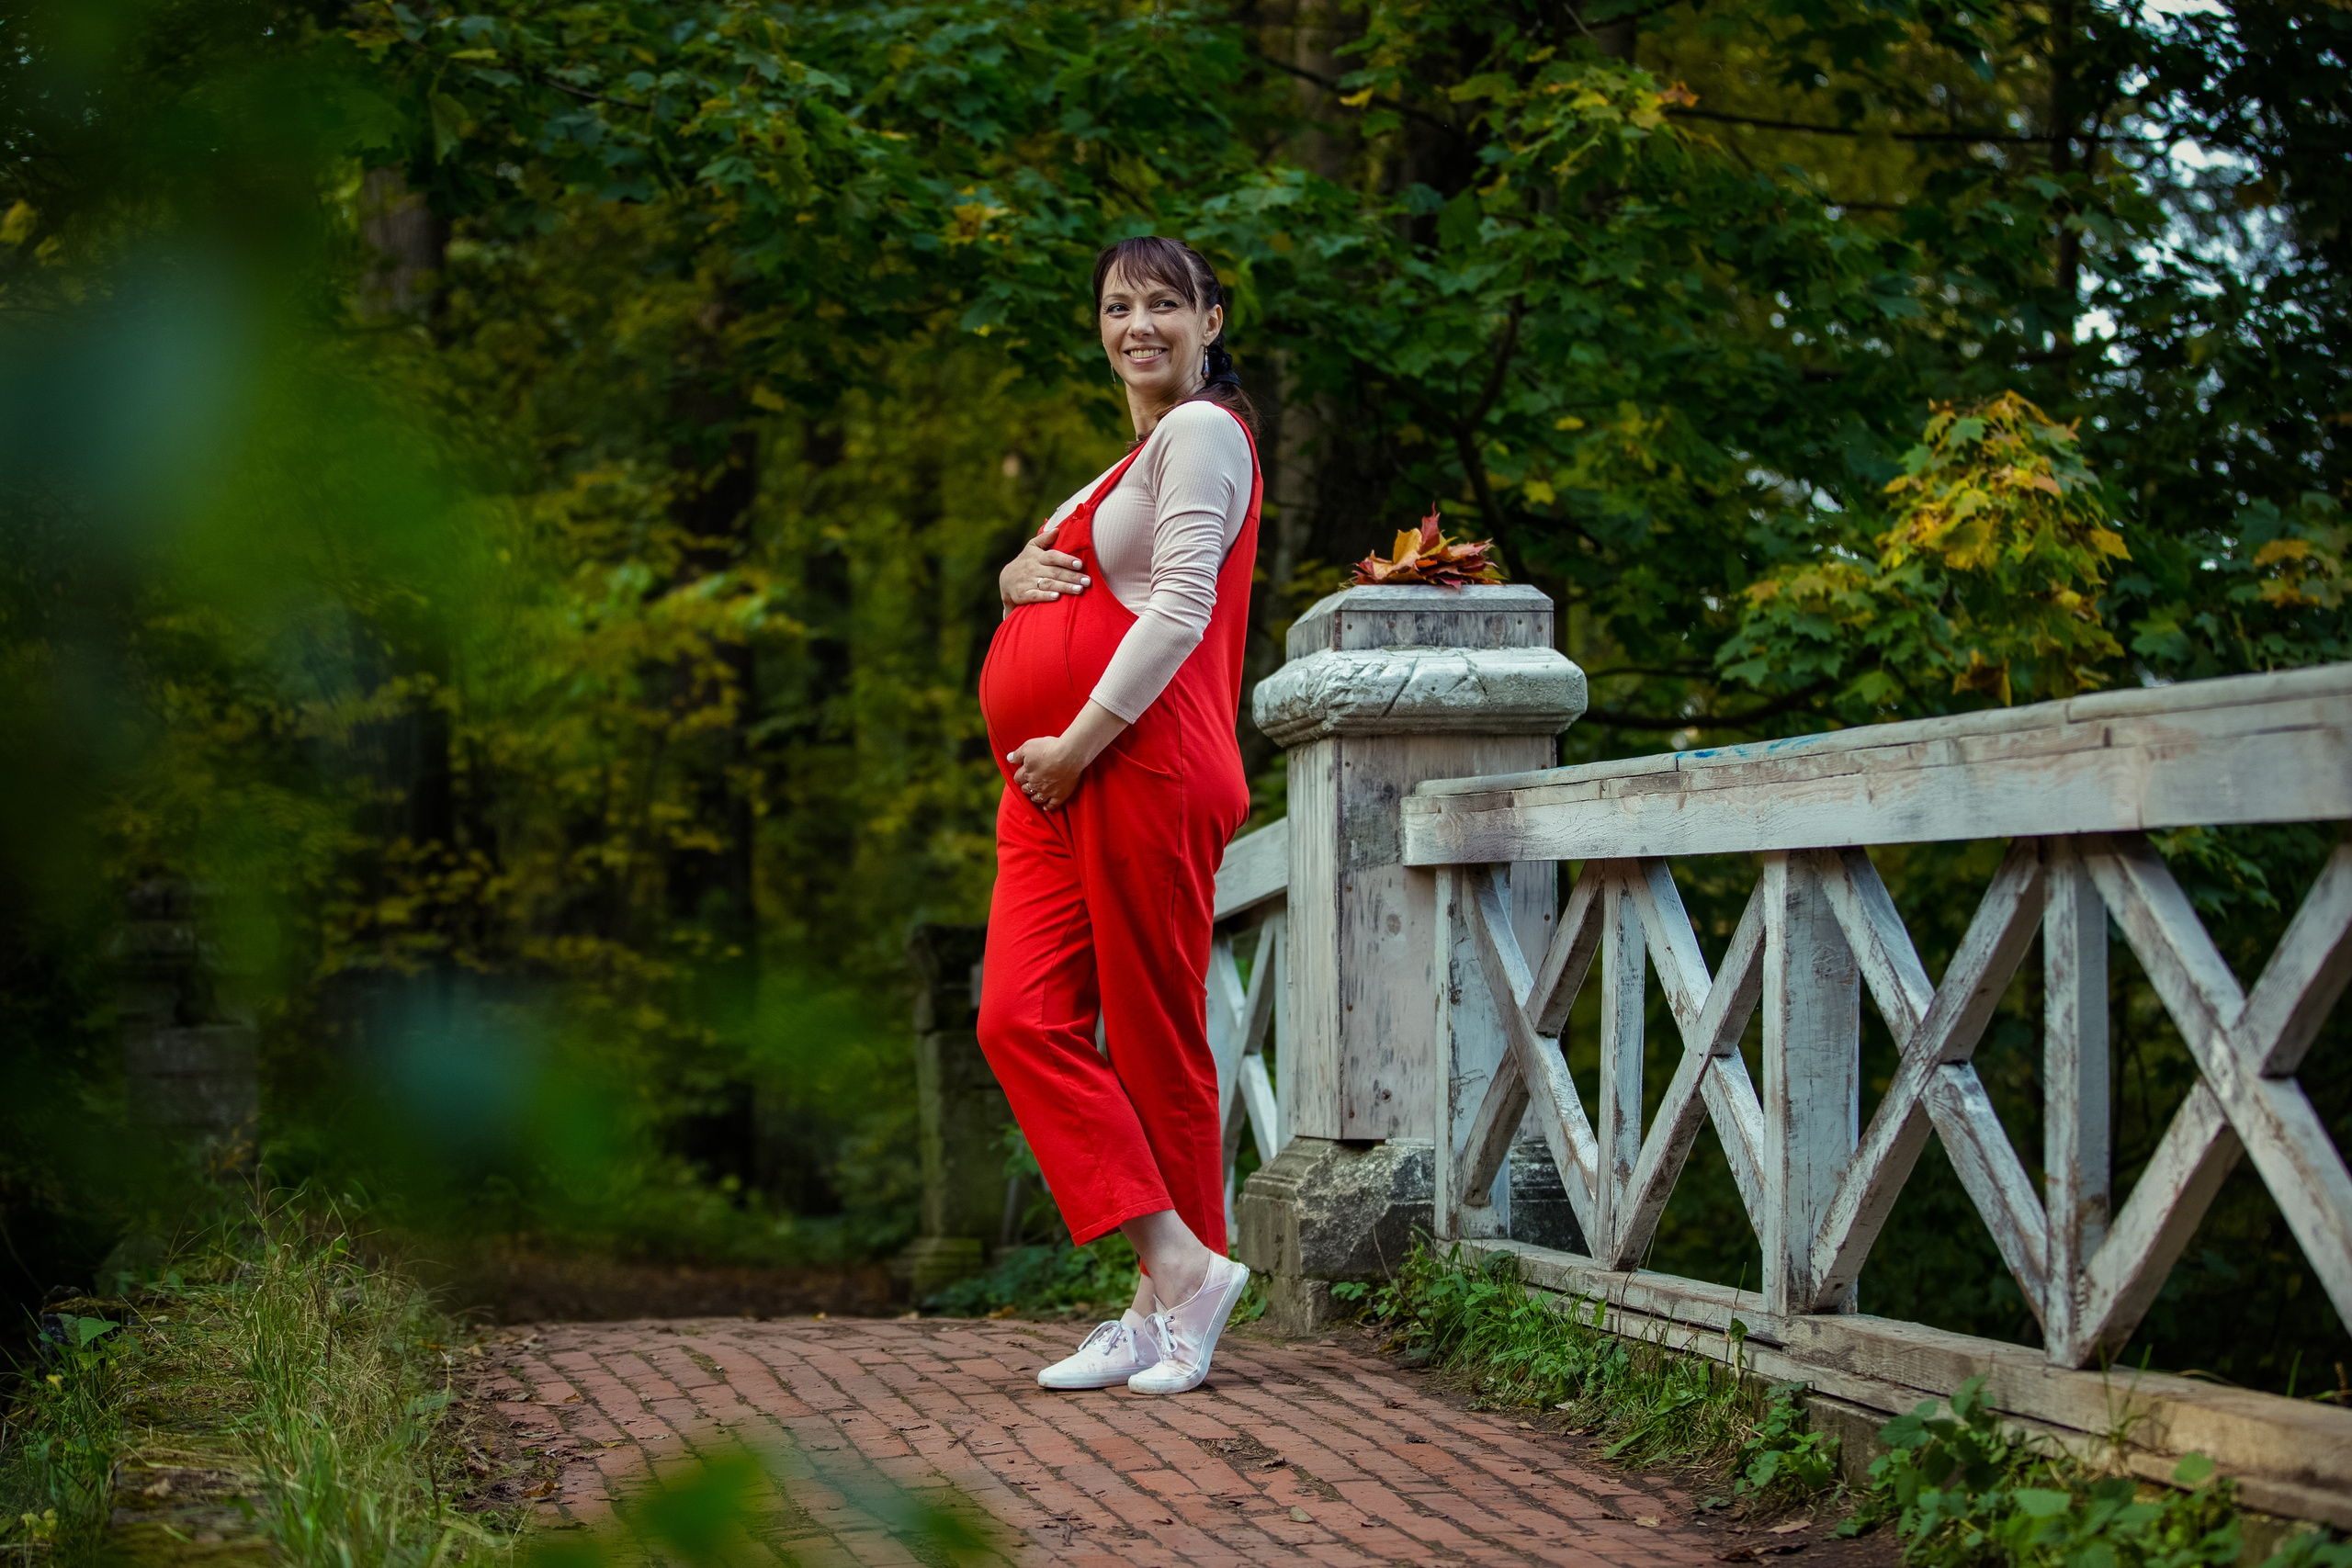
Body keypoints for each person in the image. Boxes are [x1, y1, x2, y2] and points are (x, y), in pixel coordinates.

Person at [975, 236, 1261, 1395]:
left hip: (1135, 762)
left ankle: (1166, 1316)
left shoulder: (1203, 431)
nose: (1136, 324)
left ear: (1209, 318)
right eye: (1116, 306)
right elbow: (1062, 566)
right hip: (1051, 783)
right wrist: (1012, 577)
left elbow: (1183, 602)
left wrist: (1078, 742)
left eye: (1161, 304)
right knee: (1017, 1017)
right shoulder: (1124, 461)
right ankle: (1177, 1270)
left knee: (1154, 1039)